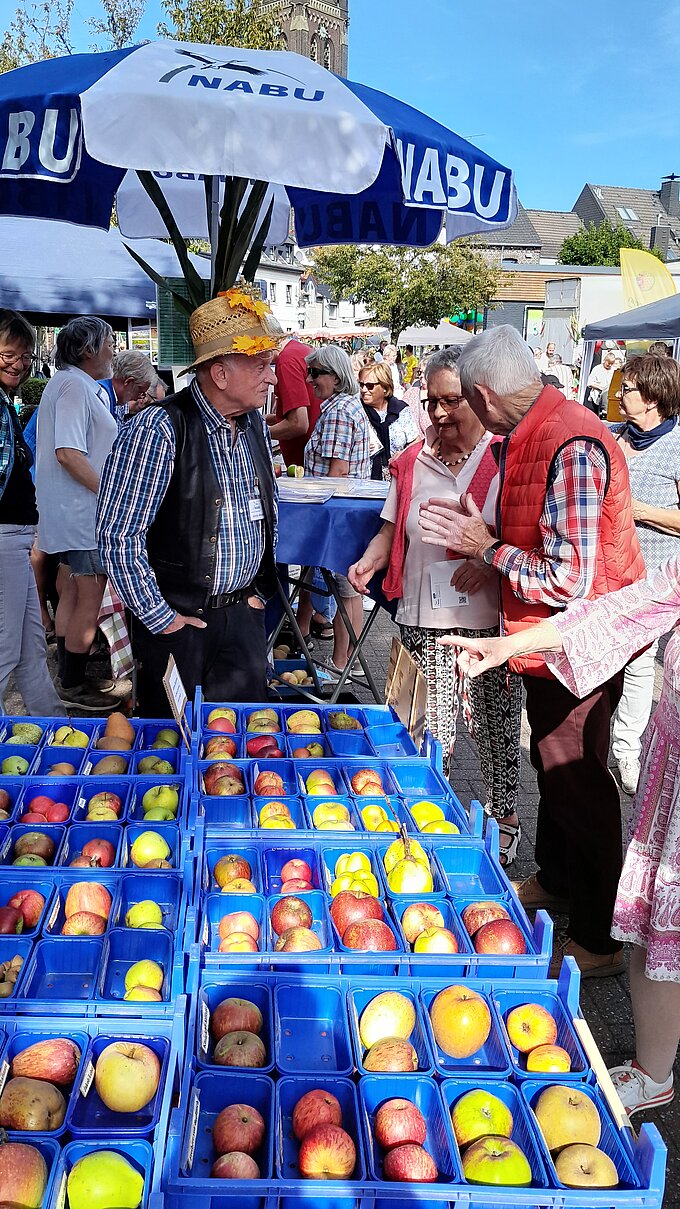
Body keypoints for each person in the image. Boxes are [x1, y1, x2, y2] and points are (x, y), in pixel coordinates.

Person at [418, 324, 645, 979]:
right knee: (552, 764)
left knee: (579, 780)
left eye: (464, 400)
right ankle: (556, 879)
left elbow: (568, 579)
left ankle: (601, 938)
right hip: (549, 643)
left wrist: (487, 548)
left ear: (485, 395)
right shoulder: (532, 432)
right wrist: (491, 543)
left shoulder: (569, 442)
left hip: (582, 646)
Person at [449, 556, 680, 1116]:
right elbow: (615, 612)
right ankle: (653, 1073)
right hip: (673, 769)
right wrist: (509, 646)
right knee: (659, 931)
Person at [348, 347, 523, 861]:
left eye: (452, 400)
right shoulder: (411, 459)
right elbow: (390, 528)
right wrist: (370, 560)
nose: (440, 413)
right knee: (426, 728)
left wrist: (489, 559)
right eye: (431, 402)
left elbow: (526, 536)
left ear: (478, 398)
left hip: (488, 624)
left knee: (494, 728)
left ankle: (505, 819)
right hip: (422, 619)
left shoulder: (505, 456)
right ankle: (429, 820)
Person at [98, 287, 280, 717]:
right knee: (174, 742)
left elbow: (268, 511)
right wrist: (162, 620)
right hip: (180, 626)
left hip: (243, 617)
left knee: (243, 740)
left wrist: (256, 596)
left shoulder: (253, 423)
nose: (272, 378)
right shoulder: (158, 429)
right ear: (220, 374)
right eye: (261, 365)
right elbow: (119, 536)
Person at [35, 316, 118, 712]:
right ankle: (73, 683)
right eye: (109, 343)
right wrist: (111, 493)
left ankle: (69, 676)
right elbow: (68, 453)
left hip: (75, 512)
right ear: (88, 349)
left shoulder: (74, 384)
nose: (113, 350)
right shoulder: (73, 386)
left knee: (72, 590)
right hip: (84, 514)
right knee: (88, 594)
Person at [608, 354, 680, 795]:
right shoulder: (612, 436)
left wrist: (643, 512)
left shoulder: (677, 446)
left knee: (639, 664)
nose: (619, 394)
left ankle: (626, 751)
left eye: (628, 388)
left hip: (655, 578)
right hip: (608, 574)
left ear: (653, 398)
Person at [0, 309, 62, 716]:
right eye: (9, 355)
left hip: (15, 536)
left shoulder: (4, 402)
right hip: (4, 537)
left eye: (24, 356)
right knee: (6, 645)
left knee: (29, 645)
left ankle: (54, 726)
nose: (19, 364)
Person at [300, 344, 371, 677]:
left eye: (316, 373)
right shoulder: (345, 405)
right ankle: (348, 660)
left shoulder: (339, 411)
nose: (310, 379)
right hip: (347, 512)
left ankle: (342, 662)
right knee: (348, 589)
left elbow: (337, 473)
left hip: (338, 515)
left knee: (345, 590)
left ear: (337, 377)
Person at [267, 335, 330, 643]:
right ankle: (310, 618)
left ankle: (298, 622)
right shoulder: (298, 352)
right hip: (305, 470)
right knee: (310, 557)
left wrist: (258, 433)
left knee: (298, 550)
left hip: (306, 478)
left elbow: (299, 423)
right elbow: (290, 416)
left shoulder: (287, 359)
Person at [358, 361, 418, 480]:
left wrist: (403, 454)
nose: (364, 390)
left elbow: (415, 442)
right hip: (364, 480)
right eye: (361, 385)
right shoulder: (357, 411)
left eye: (370, 386)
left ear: (385, 387)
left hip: (397, 477)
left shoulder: (401, 411)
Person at [98, 351, 155, 424]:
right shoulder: (101, 398)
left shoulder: (110, 397)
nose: (139, 398)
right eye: (140, 392)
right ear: (128, 382)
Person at [585, 350, 616, 415]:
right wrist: (601, 388)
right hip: (597, 396)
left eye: (611, 363)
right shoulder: (597, 369)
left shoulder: (613, 370)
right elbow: (590, 383)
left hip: (610, 396)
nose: (610, 365)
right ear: (605, 360)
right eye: (608, 363)